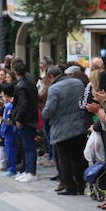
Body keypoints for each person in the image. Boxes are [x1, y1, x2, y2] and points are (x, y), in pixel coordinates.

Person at [41, 65, 89, 195]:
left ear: (51, 76)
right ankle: (81, 184)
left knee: (65, 159)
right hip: (80, 126)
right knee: (79, 157)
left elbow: (49, 109)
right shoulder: (78, 83)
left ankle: (70, 186)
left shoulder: (54, 88)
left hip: (62, 129)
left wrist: (43, 113)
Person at [11, 60, 39, 182]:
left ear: (15, 71)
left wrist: (18, 118)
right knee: (27, 145)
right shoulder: (29, 82)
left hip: (26, 119)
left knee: (28, 146)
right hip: (31, 117)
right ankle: (28, 170)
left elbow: (23, 104)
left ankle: (31, 172)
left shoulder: (21, 85)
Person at [0, 83, 18, 176]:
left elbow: (7, 121)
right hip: (12, 131)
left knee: (10, 151)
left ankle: (12, 168)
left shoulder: (8, 106)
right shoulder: (11, 104)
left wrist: (2, 120)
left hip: (9, 132)